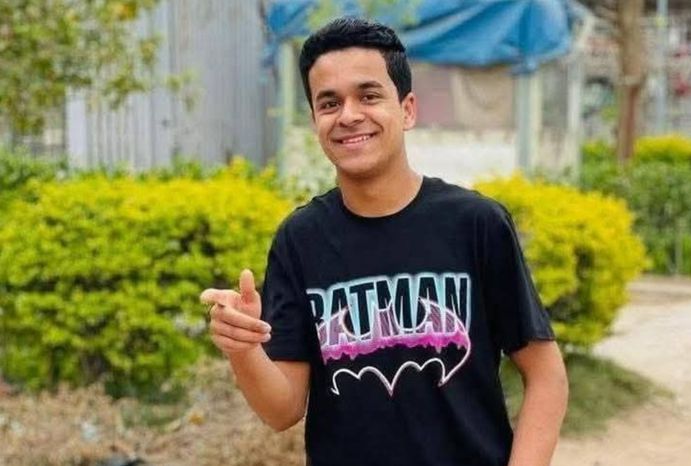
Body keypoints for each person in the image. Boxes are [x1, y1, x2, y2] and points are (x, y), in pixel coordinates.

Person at [200, 16, 568, 466]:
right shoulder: (301, 240)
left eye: (369, 95)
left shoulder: (475, 224)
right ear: (315, 120)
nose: (348, 115)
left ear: (407, 109)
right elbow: (283, 411)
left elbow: (546, 375)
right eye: (329, 103)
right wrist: (243, 349)